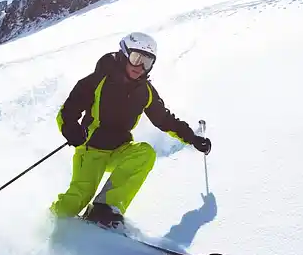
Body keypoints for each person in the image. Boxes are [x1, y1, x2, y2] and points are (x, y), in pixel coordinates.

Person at [50, 32, 212, 229]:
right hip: (91, 149)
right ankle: (49, 222)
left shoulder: (145, 91)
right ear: (124, 54)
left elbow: (164, 119)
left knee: (144, 153)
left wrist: (192, 138)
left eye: (147, 62)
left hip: (120, 149)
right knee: (78, 199)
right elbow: (67, 112)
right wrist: (71, 129)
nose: (140, 67)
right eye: (136, 59)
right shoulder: (97, 80)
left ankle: (105, 209)